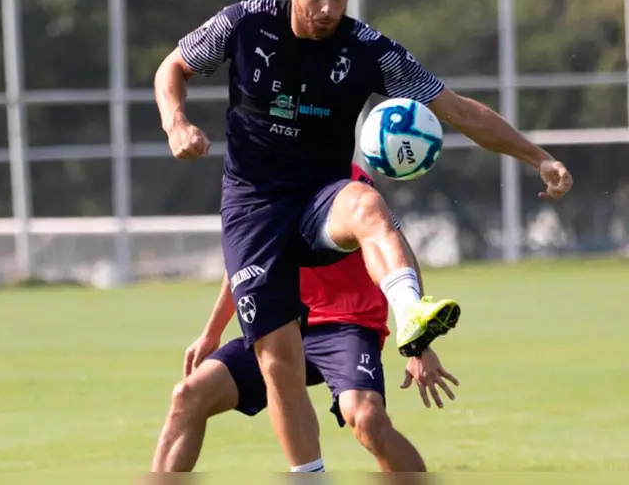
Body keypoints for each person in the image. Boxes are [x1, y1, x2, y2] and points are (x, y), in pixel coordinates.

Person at [154, 0, 573, 473]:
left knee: (367, 206)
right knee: (278, 367)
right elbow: (172, 67)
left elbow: (459, 111)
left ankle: (410, 315)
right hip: (254, 209)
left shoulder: (368, 51)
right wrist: (176, 122)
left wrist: (538, 157)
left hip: (320, 200)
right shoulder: (245, 23)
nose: (328, 8)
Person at [151, 164, 458, 473]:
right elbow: (243, 262)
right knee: (189, 395)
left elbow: (396, 247)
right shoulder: (262, 181)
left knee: (367, 419)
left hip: (346, 323)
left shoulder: (350, 180)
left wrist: (420, 345)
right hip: (280, 323)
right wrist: (211, 332)